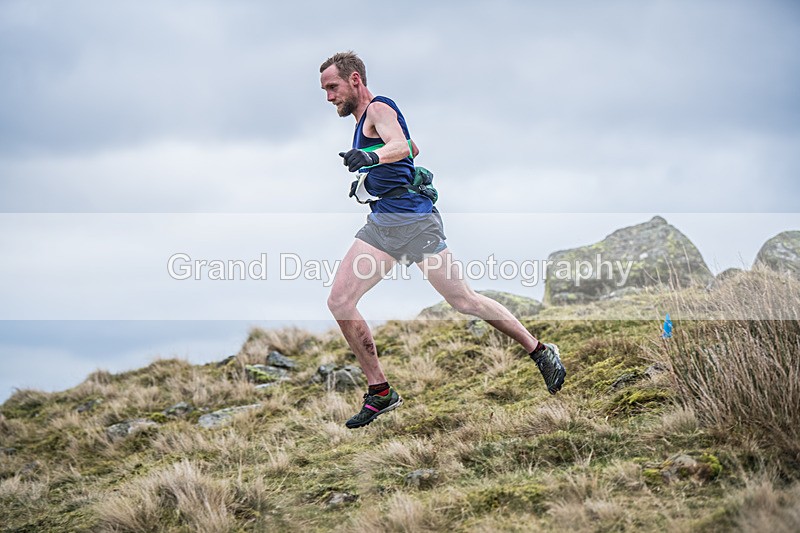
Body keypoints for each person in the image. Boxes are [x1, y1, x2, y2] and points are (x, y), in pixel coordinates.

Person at [319, 51, 566, 429]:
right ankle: (380, 392)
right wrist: (377, 172)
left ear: (355, 80)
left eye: (333, 87)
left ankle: (540, 351)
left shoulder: (378, 108)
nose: (329, 97)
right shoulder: (363, 120)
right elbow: (408, 152)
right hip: (384, 222)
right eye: (324, 90)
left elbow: (402, 146)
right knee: (340, 300)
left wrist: (370, 160)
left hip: (415, 221)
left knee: (464, 300)